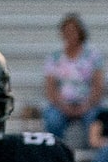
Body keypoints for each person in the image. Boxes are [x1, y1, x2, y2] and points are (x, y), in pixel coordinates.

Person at [41, 13, 103, 145]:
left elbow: (98, 86)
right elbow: (50, 88)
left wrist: (86, 105)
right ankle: (56, 154)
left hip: (87, 103)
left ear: (80, 32)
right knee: (52, 119)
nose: (70, 35)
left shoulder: (92, 56)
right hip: (62, 104)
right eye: (66, 31)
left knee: (94, 120)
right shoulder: (54, 57)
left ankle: (92, 159)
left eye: (73, 31)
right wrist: (64, 106)